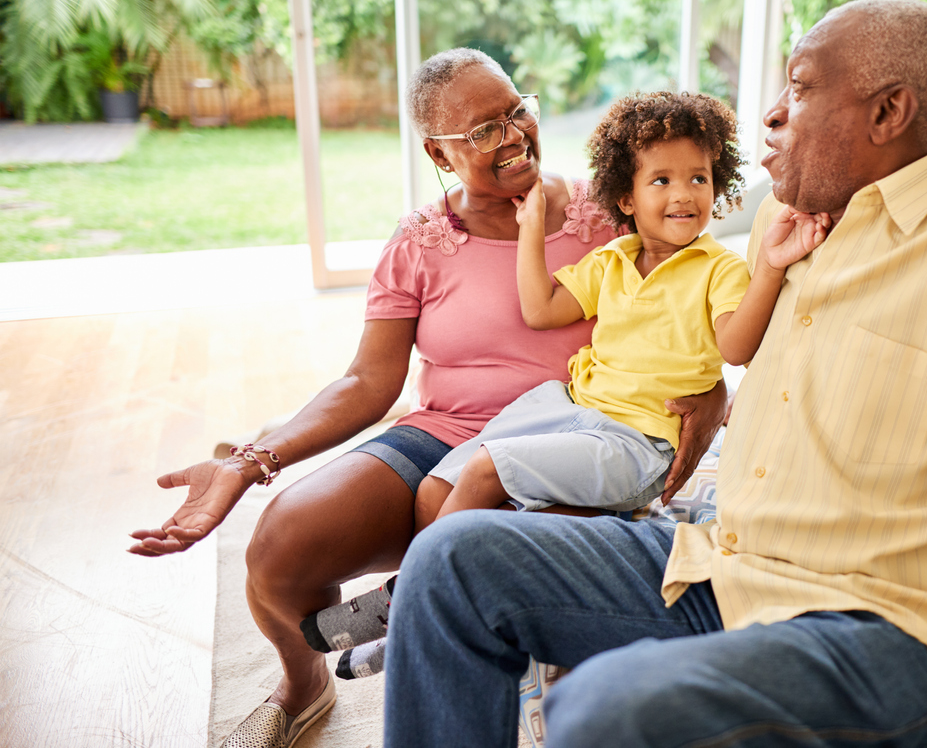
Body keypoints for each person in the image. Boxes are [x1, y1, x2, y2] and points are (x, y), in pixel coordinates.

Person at [379, 0, 927, 748]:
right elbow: (734, 349)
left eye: (799, 88)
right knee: (451, 557)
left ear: (888, 112)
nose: (768, 114)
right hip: (723, 567)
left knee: (604, 705)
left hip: (885, 630)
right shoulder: (788, 232)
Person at [126, 49, 728, 748]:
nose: (510, 135)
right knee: (279, 547)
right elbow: (365, 382)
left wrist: (712, 389)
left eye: (515, 111)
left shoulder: (612, 212)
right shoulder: (420, 240)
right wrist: (254, 459)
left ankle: (482, 664)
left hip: (585, 428)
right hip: (446, 433)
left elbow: (692, 299)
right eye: (481, 130)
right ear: (436, 151)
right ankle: (305, 682)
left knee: (520, 562)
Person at [301, 92, 830, 668]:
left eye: (698, 178)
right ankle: (459, 598)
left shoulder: (719, 269)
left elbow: (737, 346)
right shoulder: (612, 260)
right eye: (662, 181)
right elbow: (542, 309)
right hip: (569, 412)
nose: (683, 194)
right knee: (434, 491)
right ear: (626, 197)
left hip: (636, 441)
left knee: (484, 471)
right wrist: (531, 228)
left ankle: (404, 611)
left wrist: (772, 267)